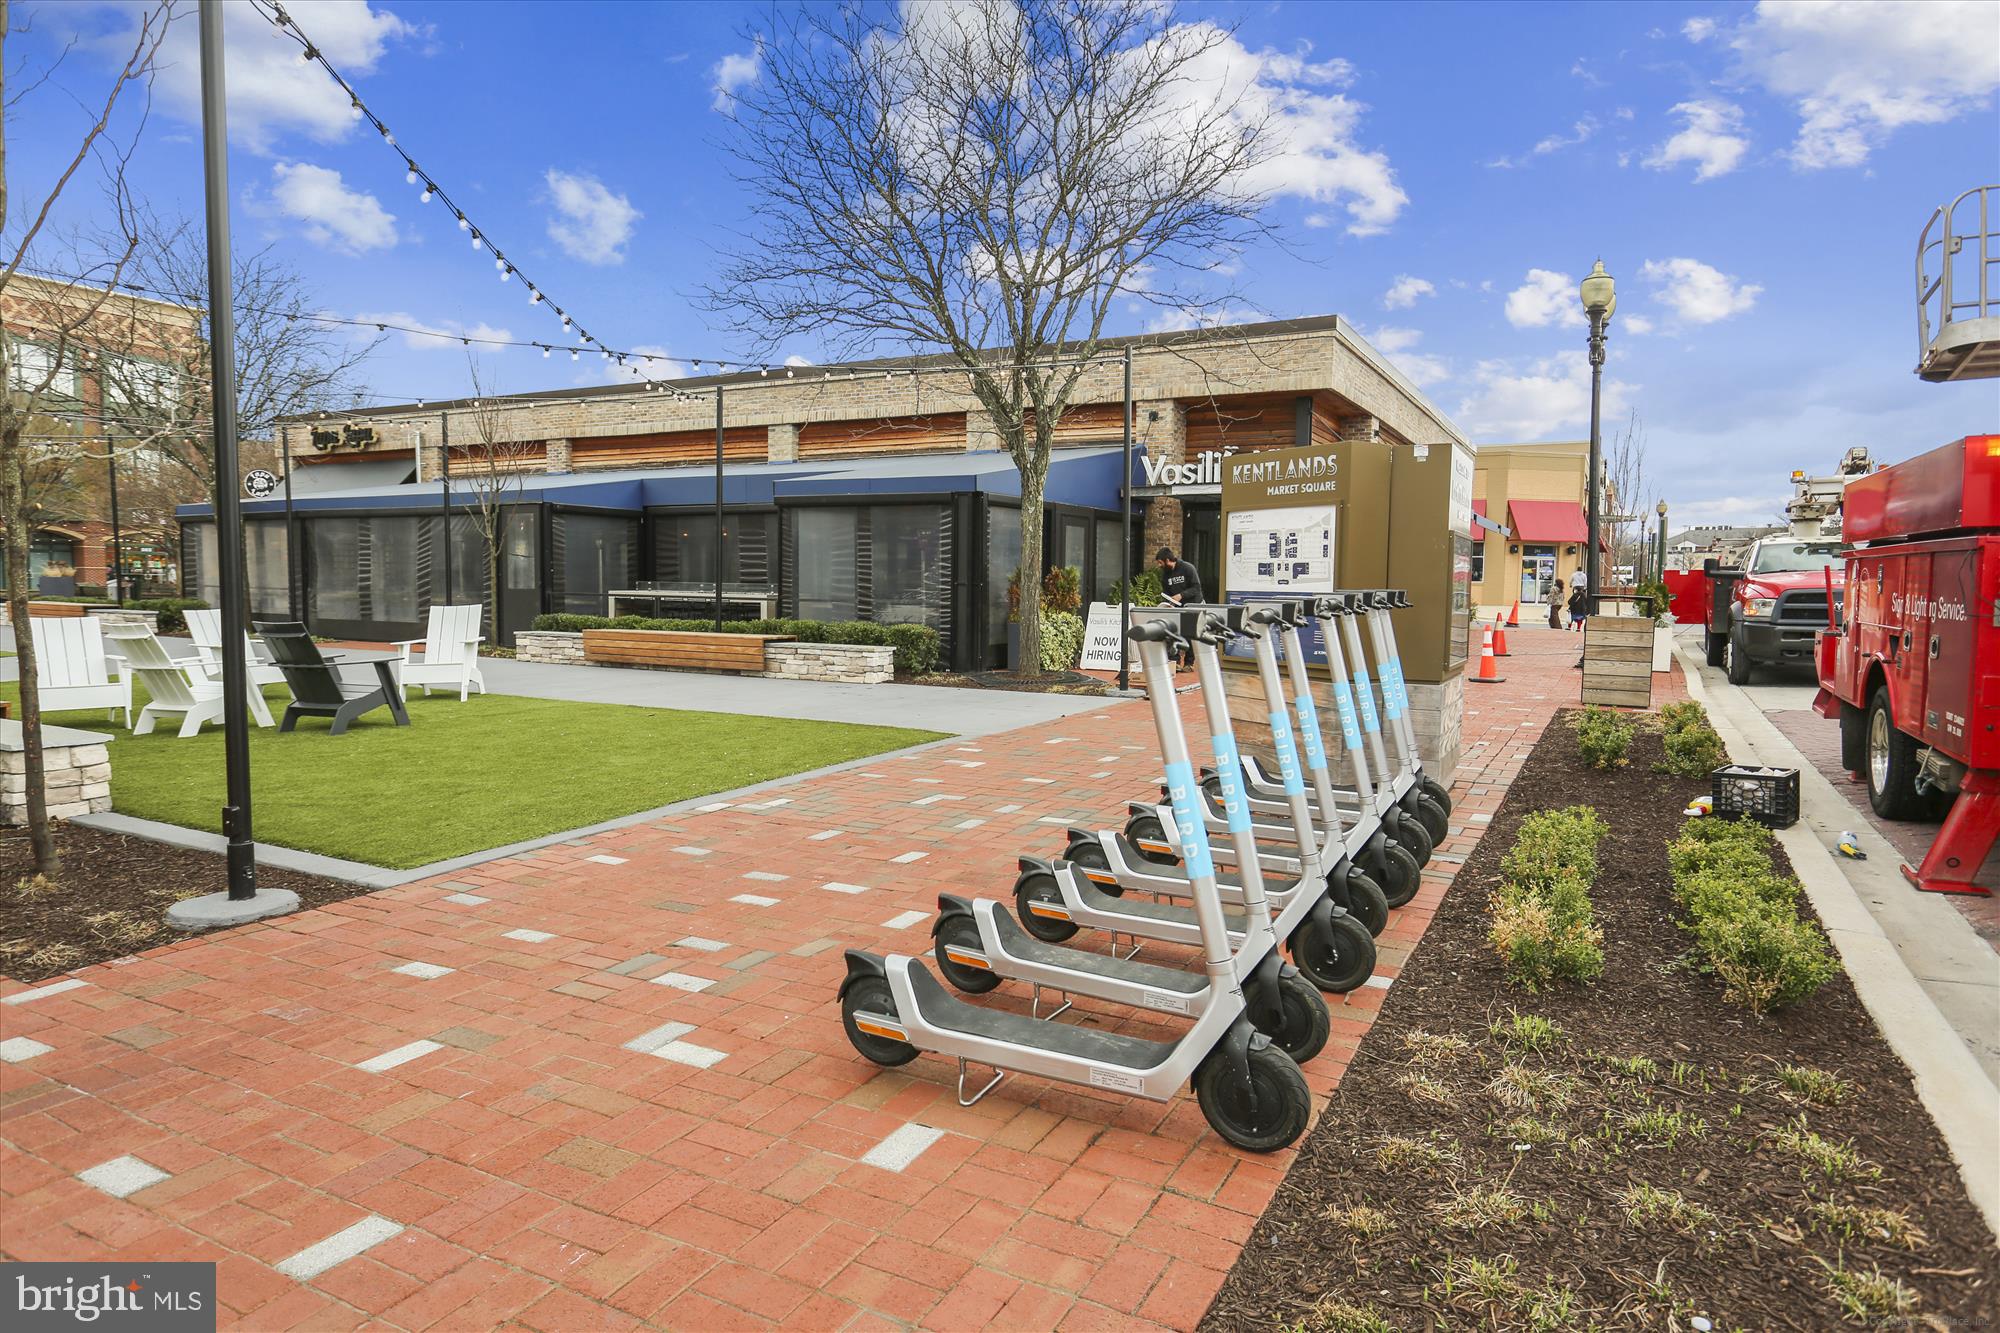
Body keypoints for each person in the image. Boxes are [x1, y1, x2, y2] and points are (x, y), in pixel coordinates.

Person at [1155, 546, 1204, 669]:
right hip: (1176, 607)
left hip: (1192, 605)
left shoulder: (1187, 568)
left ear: (1167, 560)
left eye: (1160, 563)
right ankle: (1174, 662)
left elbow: (1196, 588)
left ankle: (1189, 663)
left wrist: (1181, 595)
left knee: (1190, 633)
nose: (1159, 566)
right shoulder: (1165, 575)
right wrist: (1167, 603)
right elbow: (1166, 592)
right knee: (1173, 632)